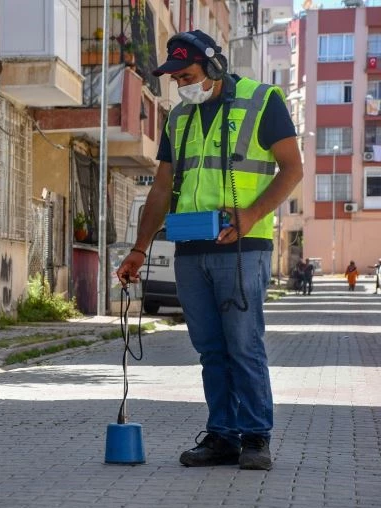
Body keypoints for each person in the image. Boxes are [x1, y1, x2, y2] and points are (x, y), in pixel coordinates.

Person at [116, 30, 302, 471]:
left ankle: (256, 436)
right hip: (190, 247)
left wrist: (251, 214)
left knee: (243, 345)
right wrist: (139, 250)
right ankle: (222, 435)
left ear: (214, 67)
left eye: (188, 75)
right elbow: (162, 188)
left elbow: (292, 168)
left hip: (243, 247)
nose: (182, 85)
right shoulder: (178, 118)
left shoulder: (262, 100)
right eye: (176, 79)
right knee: (210, 350)